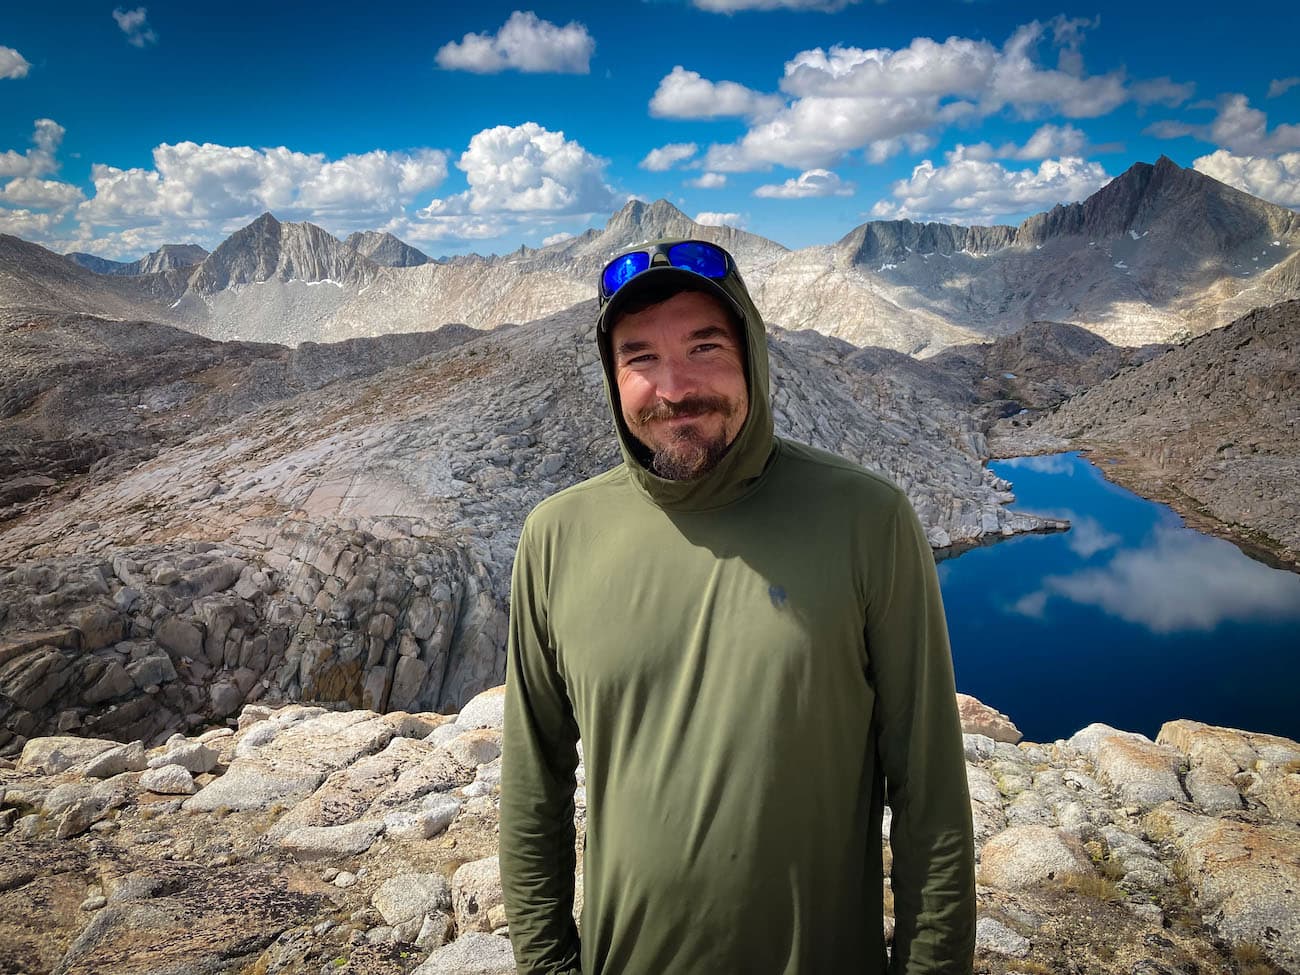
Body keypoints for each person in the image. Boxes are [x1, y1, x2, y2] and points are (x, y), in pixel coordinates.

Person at [500, 238, 975, 974]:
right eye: (640, 358)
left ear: (750, 353)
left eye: (704, 346)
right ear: (611, 377)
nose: (674, 387)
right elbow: (534, 793)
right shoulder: (556, 537)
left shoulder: (866, 520)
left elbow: (931, 797)